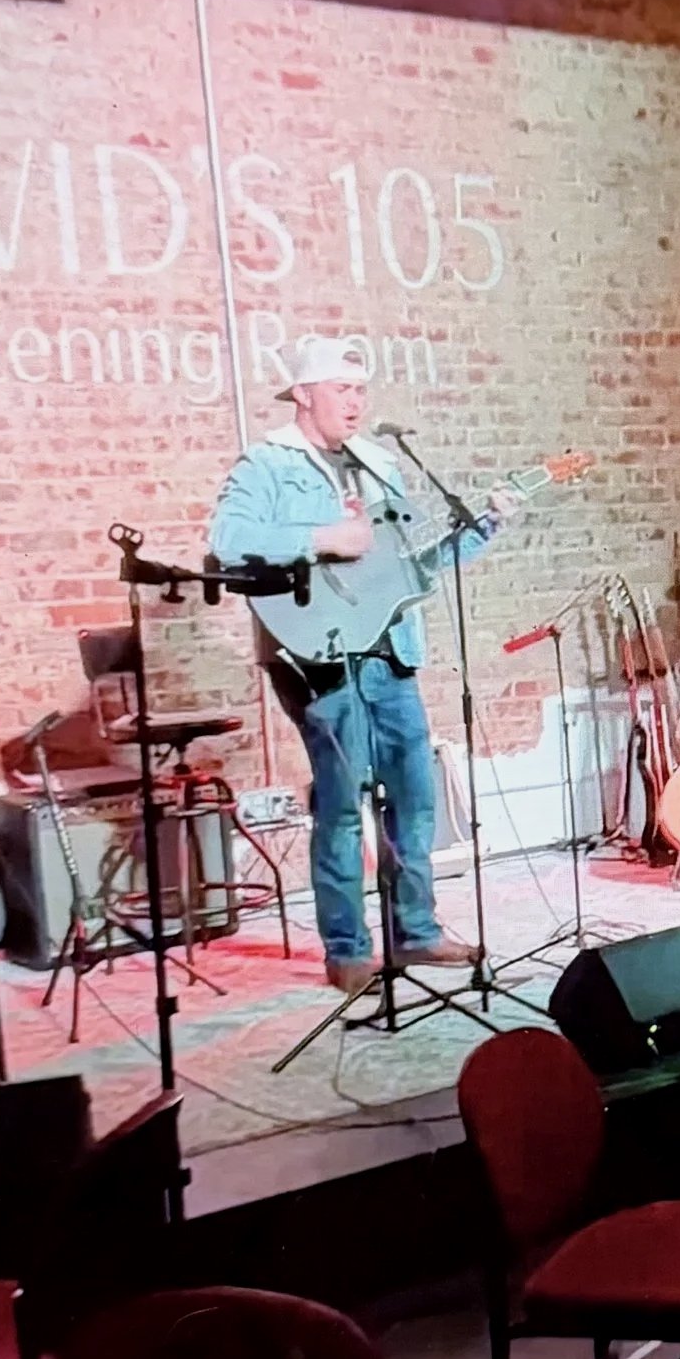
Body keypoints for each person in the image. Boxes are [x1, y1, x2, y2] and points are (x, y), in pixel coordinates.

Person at [209, 338, 522, 992]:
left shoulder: (380, 463)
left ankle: (415, 930)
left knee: (413, 795)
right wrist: (321, 538)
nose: (356, 400)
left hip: (390, 647)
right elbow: (228, 543)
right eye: (341, 388)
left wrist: (484, 524)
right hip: (316, 653)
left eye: (360, 388)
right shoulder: (267, 462)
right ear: (303, 394)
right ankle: (347, 945)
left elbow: (408, 565)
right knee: (343, 803)